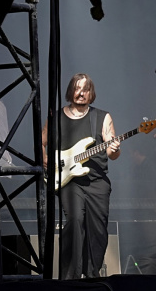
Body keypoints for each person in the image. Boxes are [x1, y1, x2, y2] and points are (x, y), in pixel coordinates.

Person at [42, 73, 121, 279]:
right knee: (75, 221)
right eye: (77, 88)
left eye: (85, 89)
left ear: (91, 93)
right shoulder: (56, 117)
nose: (81, 93)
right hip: (70, 181)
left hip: (97, 181)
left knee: (98, 230)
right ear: (70, 90)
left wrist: (114, 149)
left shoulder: (102, 117)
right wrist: (45, 158)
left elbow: (113, 155)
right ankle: (70, 277)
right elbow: (41, 142)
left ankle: (93, 275)